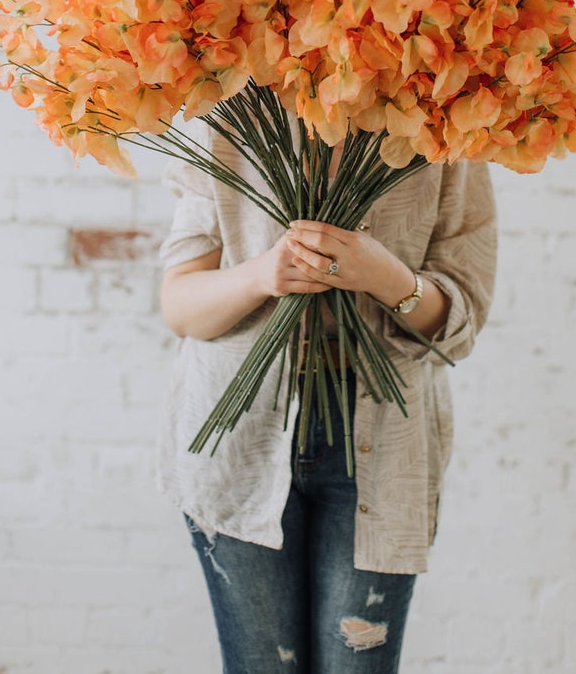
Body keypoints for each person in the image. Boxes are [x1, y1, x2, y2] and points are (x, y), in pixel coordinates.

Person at [155, 120, 497, 673]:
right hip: (240, 443)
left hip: (383, 445)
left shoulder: (446, 121)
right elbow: (180, 306)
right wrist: (263, 275)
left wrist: (387, 278)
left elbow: (461, 323)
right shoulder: (224, 113)